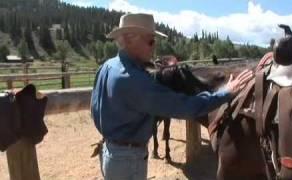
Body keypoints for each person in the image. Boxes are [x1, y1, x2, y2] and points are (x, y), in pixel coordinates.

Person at [91, 13, 253, 180]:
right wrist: (225, 92)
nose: (154, 47)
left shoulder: (107, 67)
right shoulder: (133, 79)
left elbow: (94, 108)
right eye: (150, 41)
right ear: (130, 38)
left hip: (110, 152)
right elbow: (185, 107)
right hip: (128, 160)